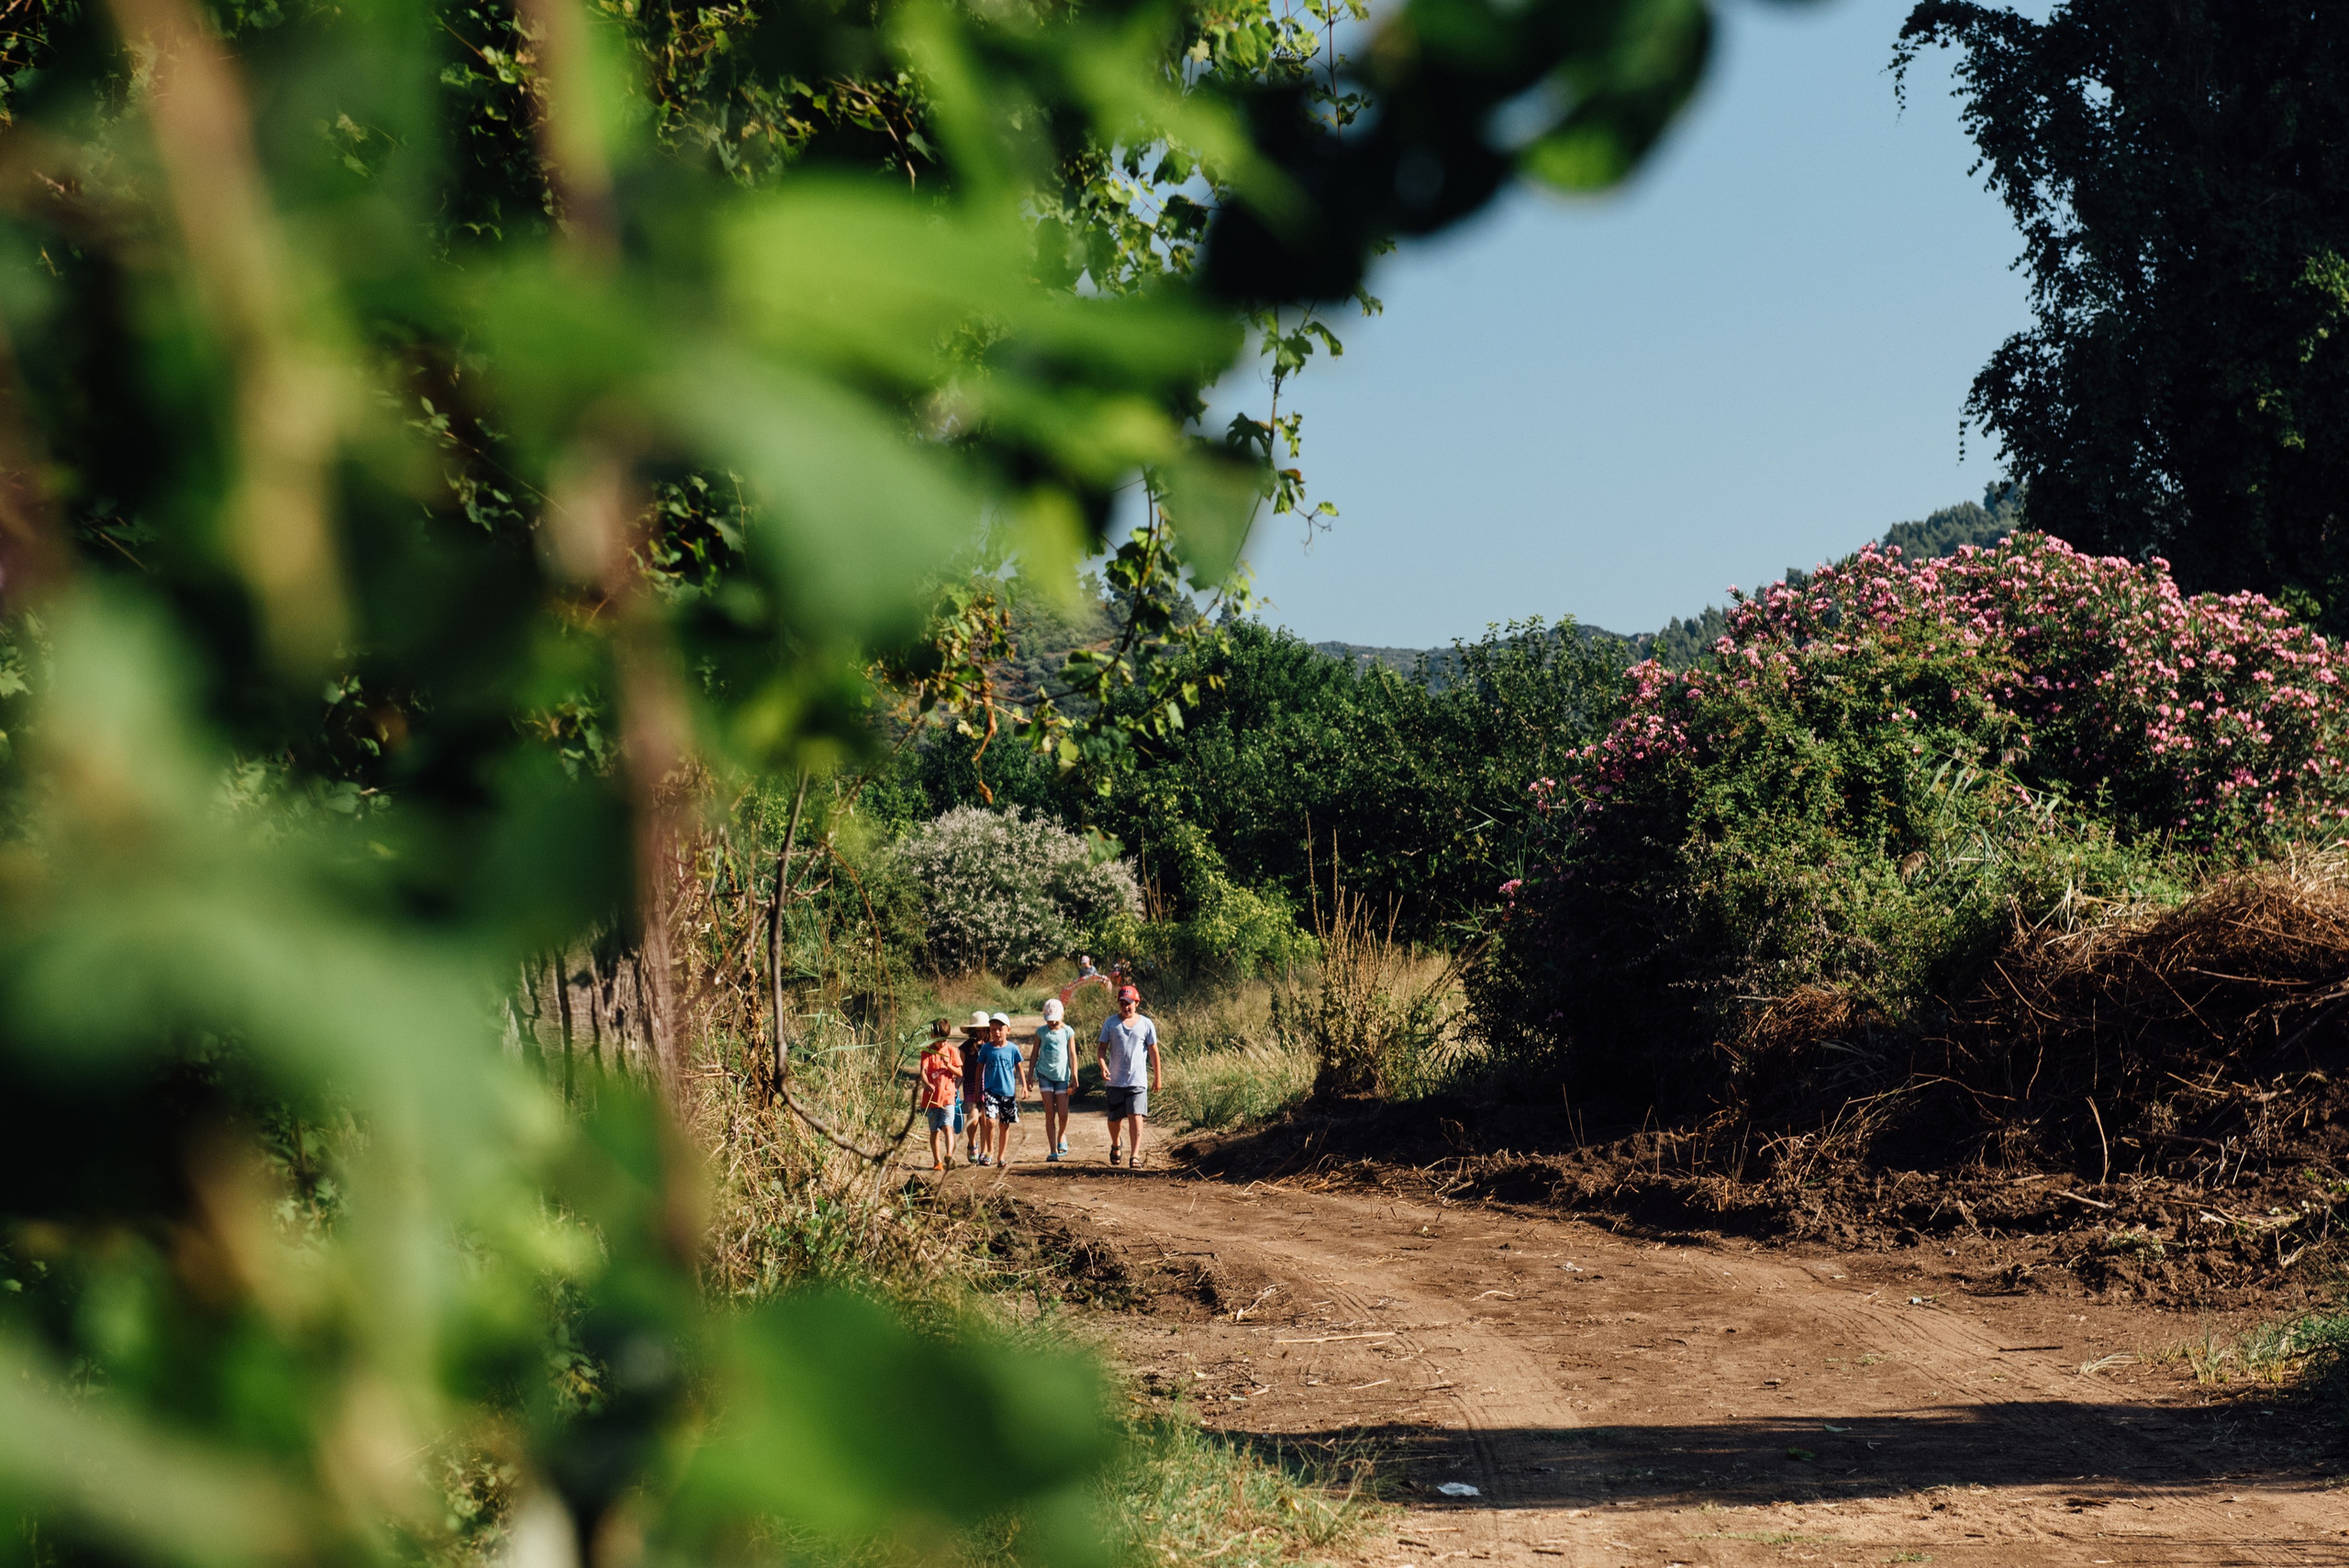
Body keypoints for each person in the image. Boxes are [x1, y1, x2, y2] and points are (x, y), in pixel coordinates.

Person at [1096, 984, 1161, 1168]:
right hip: (1115, 1080)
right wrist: (1102, 1066)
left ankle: (1135, 1156)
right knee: (1114, 1119)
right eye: (1122, 1003)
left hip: (1137, 1081)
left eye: (1129, 1003)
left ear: (1137, 1003)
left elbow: (1154, 1051)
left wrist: (1157, 1077)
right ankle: (1116, 1144)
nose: (1126, 1007)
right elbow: (1101, 1049)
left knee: (1136, 1115)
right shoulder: (1111, 1023)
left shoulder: (1146, 1024)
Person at [974, 1012, 1029, 1166]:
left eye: (1000, 1029)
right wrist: (978, 1087)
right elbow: (980, 1068)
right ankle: (989, 1152)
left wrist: (1024, 1086)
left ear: (1008, 1030)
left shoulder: (1013, 1049)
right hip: (990, 1091)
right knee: (990, 1121)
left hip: (1008, 1093)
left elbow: (1019, 1067)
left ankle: (1001, 1156)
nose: (996, 1032)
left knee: (1004, 1124)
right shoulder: (986, 1049)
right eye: (993, 1029)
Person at [912, 1018, 963, 1173]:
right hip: (932, 1099)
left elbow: (960, 1072)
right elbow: (923, 1071)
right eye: (939, 1040)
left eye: (945, 1040)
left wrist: (948, 1065)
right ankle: (937, 1160)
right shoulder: (927, 1051)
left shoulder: (952, 1051)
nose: (942, 1043)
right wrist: (926, 1083)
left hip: (948, 1096)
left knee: (948, 1127)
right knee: (934, 1131)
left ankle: (949, 1155)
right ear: (932, 1036)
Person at [1031, 997, 1075, 1162]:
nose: (1052, 1024)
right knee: (1050, 1113)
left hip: (1062, 1077)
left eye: (1055, 1021)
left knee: (1063, 1114)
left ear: (1062, 1016)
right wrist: (1030, 1076)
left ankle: (1061, 1135)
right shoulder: (1041, 1032)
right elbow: (1034, 1054)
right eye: (1050, 1021)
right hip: (1044, 1076)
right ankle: (1053, 1150)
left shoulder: (1068, 1032)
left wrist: (1075, 1077)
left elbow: (1072, 1054)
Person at [960, 1009, 990, 1165]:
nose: (981, 1033)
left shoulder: (991, 1046)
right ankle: (972, 1143)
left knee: (985, 1119)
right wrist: (954, 1088)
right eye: (978, 1030)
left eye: (984, 1029)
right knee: (973, 1118)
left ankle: (985, 1153)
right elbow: (961, 1071)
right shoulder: (965, 1048)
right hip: (971, 1086)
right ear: (972, 1031)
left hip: (988, 1087)